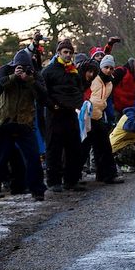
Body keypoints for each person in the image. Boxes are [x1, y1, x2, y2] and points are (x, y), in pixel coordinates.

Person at [0, 51, 48, 204]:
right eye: (20, 67)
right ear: (14, 65)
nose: (23, 70)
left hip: (24, 123)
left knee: (33, 159)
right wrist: (14, 76)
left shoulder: (34, 76)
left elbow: (43, 96)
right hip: (4, 123)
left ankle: (38, 191)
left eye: (26, 67)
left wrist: (30, 81)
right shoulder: (5, 71)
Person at [41, 39, 86, 193]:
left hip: (70, 113)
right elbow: (42, 92)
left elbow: (79, 89)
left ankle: (71, 180)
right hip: (54, 114)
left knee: (74, 147)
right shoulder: (49, 71)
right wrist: (52, 105)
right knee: (54, 148)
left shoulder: (73, 72)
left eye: (70, 52)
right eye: (65, 52)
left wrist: (78, 103)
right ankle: (53, 181)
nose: (68, 55)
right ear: (59, 53)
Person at [87, 56, 119, 184]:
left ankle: (106, 175)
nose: (108, 70)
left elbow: (107, 100)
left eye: (111, 68)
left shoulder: (110, 83)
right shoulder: (93, 78)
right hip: (86, 116)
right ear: (101, 67)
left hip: (99, 116)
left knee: (104, 146)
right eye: (106, 67)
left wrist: (110, 117)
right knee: (83, 147)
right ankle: (73, 178)